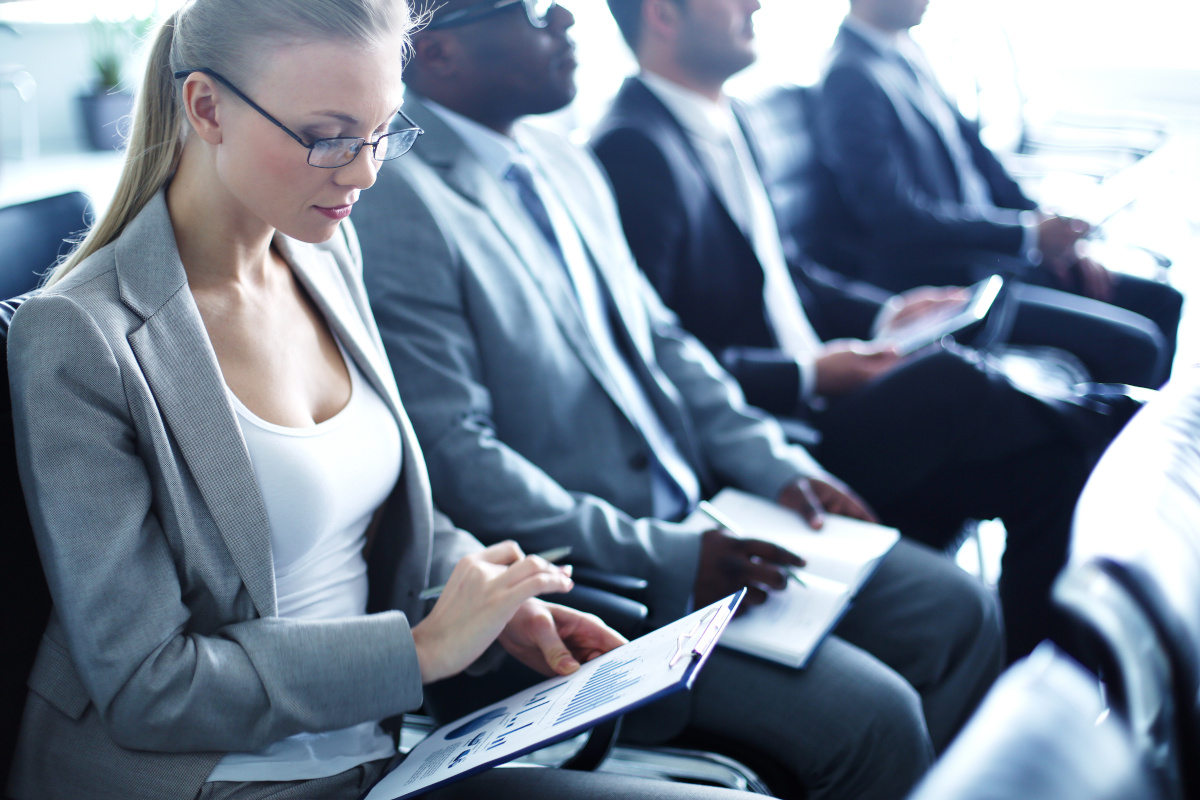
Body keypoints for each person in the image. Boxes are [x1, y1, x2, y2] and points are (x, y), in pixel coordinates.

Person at [4, 3, 762, 800]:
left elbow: (380, 510)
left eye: (381, 133)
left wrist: (487, 597)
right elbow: (148, 688)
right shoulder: (85, 336)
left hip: (384, 756)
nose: (364, 172)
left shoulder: (321, 252)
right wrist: (423, 650)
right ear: (206, 107)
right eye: (327, 136)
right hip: (223, 782)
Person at [351, 2, 1004, 798]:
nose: (564, 16)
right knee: (878, 721)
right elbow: (459, 455)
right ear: (439, 53)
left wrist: (773, 463)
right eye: (530, 7)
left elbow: (664, 342)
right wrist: (665, 554)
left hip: (710, 510)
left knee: (958, 610)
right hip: (600, 583)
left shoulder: (563, 161)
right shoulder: (397, 201)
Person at [592, 0, 1112, 662]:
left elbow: (786, 272)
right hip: (773, 431)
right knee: (954, 378)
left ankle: (1031, 682)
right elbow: (650, 353)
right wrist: (809, 373)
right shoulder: (632, 147)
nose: (755, 3)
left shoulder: (725, 116)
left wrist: (883, 313)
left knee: (1053, 467)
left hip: (829, 385)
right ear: (664, 15)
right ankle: (1120, 418)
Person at [812, 0, 1182, 381]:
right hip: (951, 279)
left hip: (993, 255)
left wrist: (1051, 232)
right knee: (1139, 342)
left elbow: (981, 158)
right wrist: (1026, 236)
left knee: (1163, 301)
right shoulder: (849, 75)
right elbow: (893, 216)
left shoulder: (908, 49)